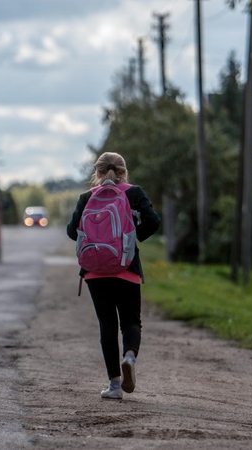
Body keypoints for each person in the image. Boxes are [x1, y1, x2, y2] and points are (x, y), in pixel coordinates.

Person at [66, 152, 161, 399]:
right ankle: (129, 357)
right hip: (125, 267)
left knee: (107, 325)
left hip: (95, 272)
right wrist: (130, 237)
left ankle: (115, 386)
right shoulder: (134, 193)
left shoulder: (87, 197)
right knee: (130, 321)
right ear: (124, 171)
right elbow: (153, 221)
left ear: (97, 173)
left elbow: (71, 231)